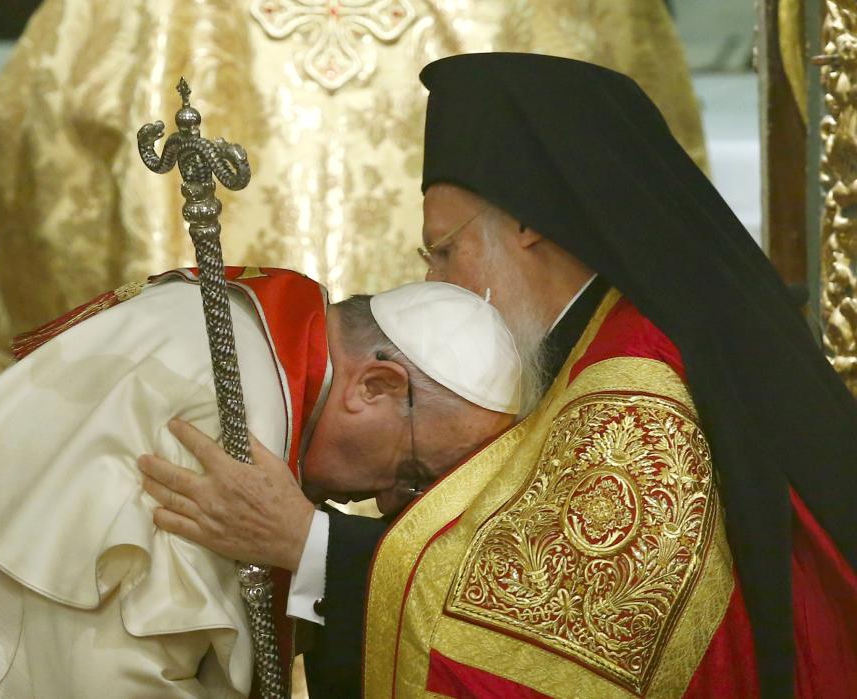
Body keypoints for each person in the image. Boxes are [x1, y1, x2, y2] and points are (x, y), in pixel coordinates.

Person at [142, 54, 857, 698]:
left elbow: (554, 646)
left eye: (445, 249)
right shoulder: (584, 353)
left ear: (528, 226)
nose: (435, 281)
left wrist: (308, 543)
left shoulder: (638, 381)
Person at [0, 266, 520, 698]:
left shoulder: (243, 337)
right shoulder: (234, 418)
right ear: (375, 387)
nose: (387, 504)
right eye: (410, 474)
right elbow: (114, 670)